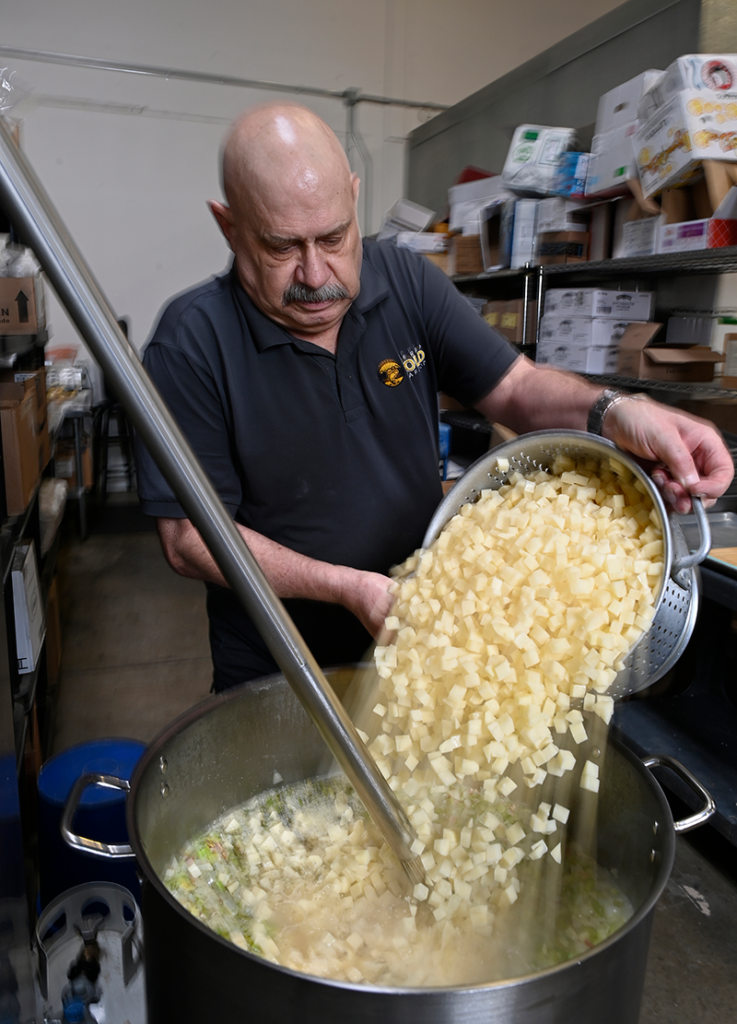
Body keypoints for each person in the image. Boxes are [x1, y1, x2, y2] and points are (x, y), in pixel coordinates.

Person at [136, 102, 734, 692]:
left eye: (335, 237)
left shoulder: (407, 282)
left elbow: (519, 388)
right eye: (282, 247)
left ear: (353, 194)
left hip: (432, 647)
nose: (316, 275)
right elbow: (189, 540)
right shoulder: (191, 343)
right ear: (228, 225)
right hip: (280, 670)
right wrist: (347, 587)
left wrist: (621, 411)